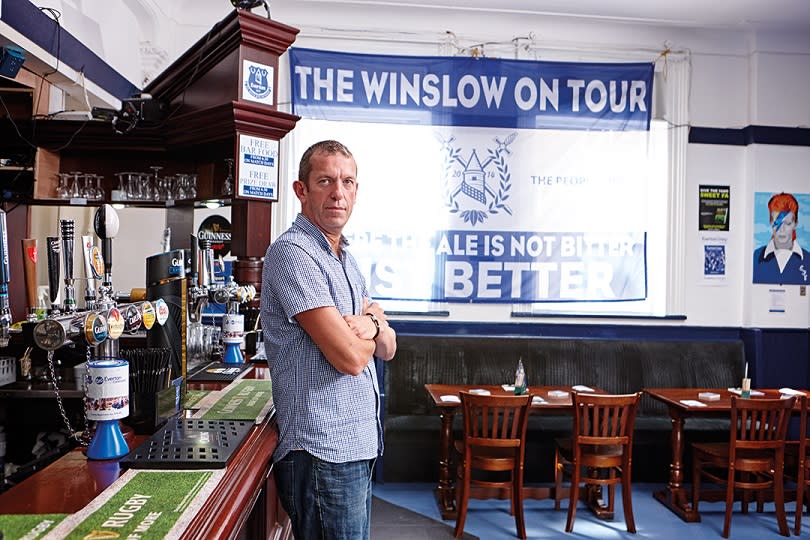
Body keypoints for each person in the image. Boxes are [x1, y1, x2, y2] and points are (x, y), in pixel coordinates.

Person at [260, 139, 397, 539]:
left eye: (348, 182)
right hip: (322, 451)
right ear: (301, 190)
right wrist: (374, 324)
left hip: (355, 444)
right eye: (326, 181)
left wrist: (370, 326)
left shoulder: (346, 259)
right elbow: (350, 359)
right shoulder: (293, 254)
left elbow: (388, 347)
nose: (339, 192)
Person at [753, 192, 809, 284]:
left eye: (787, 223)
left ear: (795, 224)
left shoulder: (808, 260)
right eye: (777, 223)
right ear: (770, 222)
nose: (782, 229)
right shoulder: (756, 258)